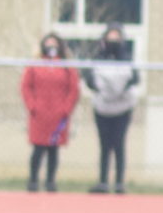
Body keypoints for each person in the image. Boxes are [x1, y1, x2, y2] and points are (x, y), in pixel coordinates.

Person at [81, 25, 139, 195]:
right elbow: (90, 79)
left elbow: (135, 79)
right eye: (110, 37)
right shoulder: (98, 57)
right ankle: (103, 181)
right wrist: (101, 88)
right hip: (102, 109)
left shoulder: (128, 59)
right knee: (105, 146)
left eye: (116, 37)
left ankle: (119, 182)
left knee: (119, 144)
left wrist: (118, 88)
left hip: (122, 109)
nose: (113, 41)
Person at [20, 32, 78, 192]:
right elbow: (26, 87)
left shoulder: (66, 67)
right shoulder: (35, 65)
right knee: (38, 149)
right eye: (48, 43)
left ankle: (50, 181)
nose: (51, 47)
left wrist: (66, 109)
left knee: (54, 149)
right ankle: (33, 180)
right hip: (39, 114)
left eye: (54, 43)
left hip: (58, 115)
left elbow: (73, 90)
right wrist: (33, 106)